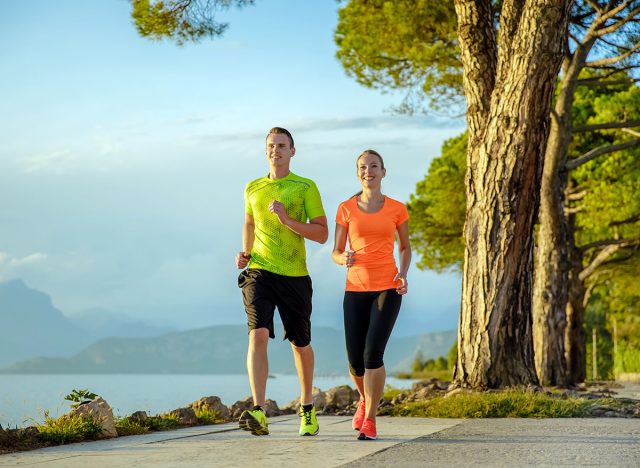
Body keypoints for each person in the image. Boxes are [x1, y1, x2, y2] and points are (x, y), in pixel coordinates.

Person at [236, 127, 328, 437]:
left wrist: (287, 220)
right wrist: (246, 253)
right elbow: (249, 222)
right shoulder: (252, 187)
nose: (276, 150)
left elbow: (321, 233)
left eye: (282, 145)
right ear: (266, 151)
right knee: (257, 334)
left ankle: (306, 408)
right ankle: (259, 410)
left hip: (295, 276)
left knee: (300, 344)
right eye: (271, 145)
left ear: (292, 151)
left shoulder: (305, 187)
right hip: (259, 271)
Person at [331, 149, 411, 441]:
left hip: (387, 288)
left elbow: (404, 247)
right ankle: (364, 398)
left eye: (374, 166)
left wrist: (403, 273)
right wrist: (344, 259)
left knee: (372, 355)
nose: (369, 171)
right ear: (358, 173)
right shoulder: (345, 208)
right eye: (363, 167)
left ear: (383, 172)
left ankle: (371, 417)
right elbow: (336, 252)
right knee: (355, 361)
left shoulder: (397, 208)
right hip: (354, 289)